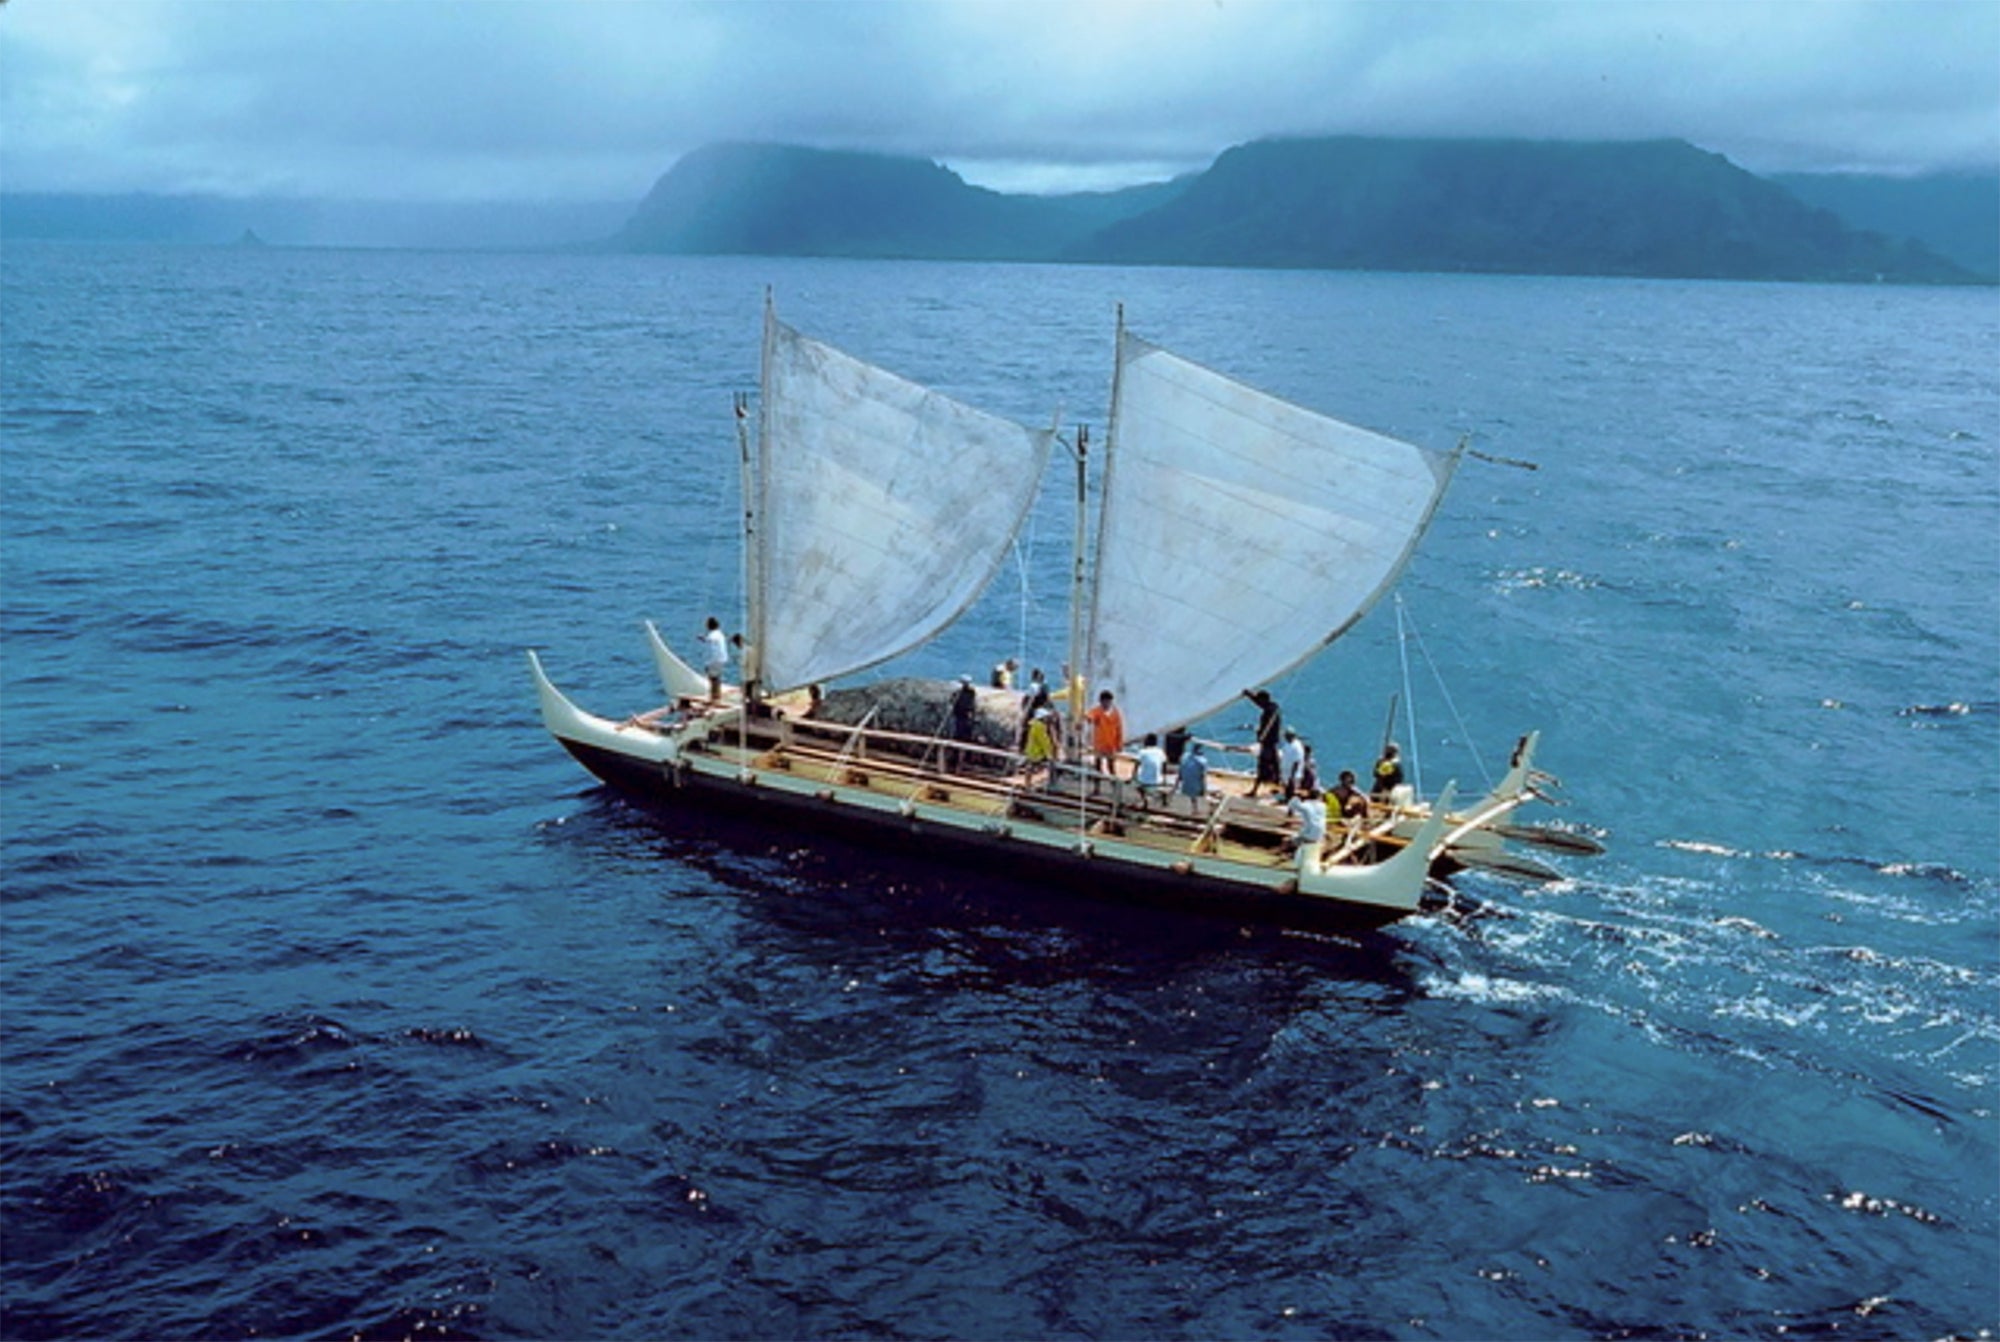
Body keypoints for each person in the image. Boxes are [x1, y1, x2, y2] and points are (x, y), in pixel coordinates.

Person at [1241, 688, 1283, 797]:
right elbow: (1259, 703)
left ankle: (1255, 790)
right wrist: (1249, 695)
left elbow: (1261, 705)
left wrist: (1260, 735)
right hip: (1272, 743)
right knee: (1275, 766)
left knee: (1263, 766)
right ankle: (1276, 787)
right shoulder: (1273, 706)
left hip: (1268, 743)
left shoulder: (1270, 711)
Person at [1083, 689, 1125, 777]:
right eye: (1104, 701)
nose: (1106, 703)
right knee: (1097, 767)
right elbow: (1090, 716)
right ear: (1101, 701)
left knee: (1111, 766)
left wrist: (1119, 744)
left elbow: (1119, 730)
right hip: (1100, 744)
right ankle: (1096, 788)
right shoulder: (1097, 711)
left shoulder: (1115, 714)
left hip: (1111, 745)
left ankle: (1114, 788)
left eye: (1108, 701)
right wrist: (1086, 718)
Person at [1286, 786, 1328, 862]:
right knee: (1321, 842)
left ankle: (1274, 857)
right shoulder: (1323, 806)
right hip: (1320, 835)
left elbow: (1292, 805)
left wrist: (1296, 796)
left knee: (1286, 841)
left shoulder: (1306, 805)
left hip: (1307, 835)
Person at [1022, 707, 1059, 786]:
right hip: (1037, 752)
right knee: (1037, 767)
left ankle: (1027, 784)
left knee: (1029, 767)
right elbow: (1043, 741)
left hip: (1031, 750)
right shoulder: (1040, 727)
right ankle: (1050, 783)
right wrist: (1049, 754)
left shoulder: (1034, 724)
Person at [949, 675, 978, 769]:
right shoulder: (970, 693)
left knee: (960, 739)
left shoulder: (964, 693)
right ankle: (960, 761)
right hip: (963, 719)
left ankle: (959, 761)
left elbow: (953, 703)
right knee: (962, 740)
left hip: (962, 719)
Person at [1133, 732, 1168, 806]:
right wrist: (1164, 777)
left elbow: (1137, 764)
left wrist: (1133, 776)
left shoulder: (1142, 752)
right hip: (1157, 780)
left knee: (1135, 785)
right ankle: (1161, 796)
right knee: (1156, 785)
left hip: (1144, 780)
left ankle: (1145, 799)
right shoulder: (1160, 751)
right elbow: (1164, 764)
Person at [1019, 667, 1051, 747]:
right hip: (1044, 709)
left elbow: (1029, 700)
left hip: (1034, 710)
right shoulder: (1045, 686)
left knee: (1026, 727)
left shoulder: (1033, 686)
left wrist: (1025, 713)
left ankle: (1023, 745)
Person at [1176, 740, 1210, 814]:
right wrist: (1205, 790)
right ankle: (1196, 809)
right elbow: (1203, 776)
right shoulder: (1203, 761)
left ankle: (1194, 807)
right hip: (1195, 787)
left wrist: (1176, 785)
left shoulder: (1184, 757)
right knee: (1199, 789)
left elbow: (1180, 773)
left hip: (1185, 785)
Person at [701, 616, 728, 701]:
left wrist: (707, 663)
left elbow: (711, 650)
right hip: (722, 659)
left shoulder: (711, 636)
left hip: (714, 660)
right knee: (717, 677)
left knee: (712, 678)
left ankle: (714, 697)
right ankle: (717, 694)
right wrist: (704, 639)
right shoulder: (720, 634)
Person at [1277, 728, 1305, 800]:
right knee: (1286, 786)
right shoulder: (1287, 743)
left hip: (1293, 773)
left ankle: (1289, 801)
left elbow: (1297, 762)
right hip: (1286, 770)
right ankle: (1286, 799)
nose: (1285, 737)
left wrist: (1292, 776)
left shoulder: (1297, 747)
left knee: (1291, 788)